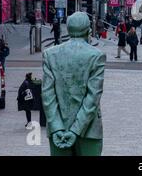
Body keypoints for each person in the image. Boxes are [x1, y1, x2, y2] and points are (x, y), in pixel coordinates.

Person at [42, 12, 105, 156]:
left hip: (58, 130)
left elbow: (47, 95)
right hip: (89, 130)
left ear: (68, 30)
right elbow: (92, 98)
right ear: (88, 31)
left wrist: (57, 127)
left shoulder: (50, 54)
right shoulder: (96, 55)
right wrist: (76, 130)